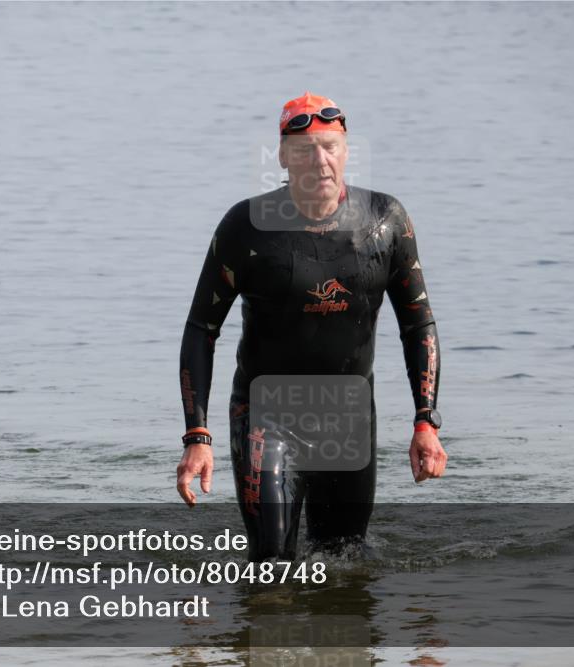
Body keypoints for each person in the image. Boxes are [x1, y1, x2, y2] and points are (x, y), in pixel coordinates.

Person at [176, 92, 446, 561]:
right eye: (304, 150)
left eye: (330, 147)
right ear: (282, 155)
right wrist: (197, 436)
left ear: (346, 151)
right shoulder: (246, 227)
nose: (320, 161)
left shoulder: (385, 223)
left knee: (344, 563)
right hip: (267, 418)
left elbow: (417, 322)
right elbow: (202, 328)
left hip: (349, 419)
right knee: (272, 566)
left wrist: (426, 421)